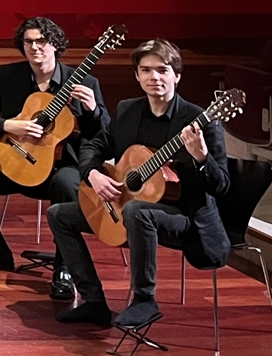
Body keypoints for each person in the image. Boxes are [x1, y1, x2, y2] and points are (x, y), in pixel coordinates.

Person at [47, 39, 230, 329]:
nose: (154, 77)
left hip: (185, 217)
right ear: (137, 75)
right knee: (59, 214)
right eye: (146, 70)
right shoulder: (128, 110)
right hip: (129, 206)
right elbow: (94, 145)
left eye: (162, 70)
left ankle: (145, 300)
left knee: (137, 212)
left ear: (177, 75)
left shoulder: (199, 120)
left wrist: (201, 157)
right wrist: (93, 174)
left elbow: (222, 186)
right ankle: (94, 302)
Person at [0, 17, 108, 301]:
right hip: (14, 159)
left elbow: (102, 133)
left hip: (57, 168)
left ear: (55, 45)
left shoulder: (84, 81)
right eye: (28, 41)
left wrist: (93, 108)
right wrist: (11, 126)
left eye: (42, 41)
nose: (35, 47)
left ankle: (64, 266)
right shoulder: (10, 76)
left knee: (68, 184)